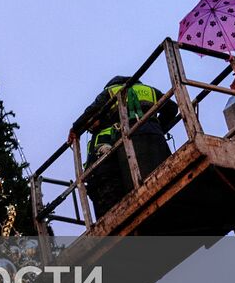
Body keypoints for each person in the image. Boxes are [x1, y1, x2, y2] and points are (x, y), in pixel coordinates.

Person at [68, 75, 179, 219]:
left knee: (137, 180)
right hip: (155, 136)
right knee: (164, 177)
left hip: (129, 139)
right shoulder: (148, 89)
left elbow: (92, 110)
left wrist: (75, 129)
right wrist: (159, 126)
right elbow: (172, 107)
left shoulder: (110, 92)